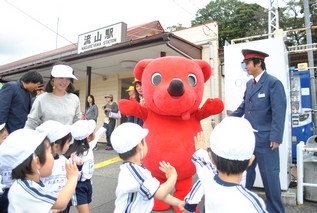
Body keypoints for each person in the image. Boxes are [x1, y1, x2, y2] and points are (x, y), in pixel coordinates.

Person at [230, 49, 286, 213]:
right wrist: (229, 120)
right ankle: (245, 206)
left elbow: (278, 111)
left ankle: (276, 210)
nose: (245, 66)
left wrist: (276, 136)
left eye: (247, 63)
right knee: (246, 174)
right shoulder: (250, 84)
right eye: (244, 63)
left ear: (258, 63)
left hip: (266, 139)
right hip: (249, 138)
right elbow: (244, 107)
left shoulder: (273, 83)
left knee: (270, 177)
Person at [182, 117, 267, 212]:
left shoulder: (208, 178)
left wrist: (189, 206)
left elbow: (202, 161)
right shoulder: (253, 203)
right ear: (251, 161)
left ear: (211, 159)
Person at [110, 122, 183, 213]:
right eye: (144, 140)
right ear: (139, 146)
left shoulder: (134, 168)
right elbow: (160, 193)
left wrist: (178, 203)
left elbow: (156, 192)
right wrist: (173, 176)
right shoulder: (135, 173)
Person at [0, 129, 78, 212]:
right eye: (49, 152)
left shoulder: (29, 184)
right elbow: (61, 202)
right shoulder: (27, 188)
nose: (52, 156)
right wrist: (72, 177)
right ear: (37, 162)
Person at [67, 118, 109, 213]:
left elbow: (98, 135)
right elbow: (71, 169)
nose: (95, 132)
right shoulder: (75, 154)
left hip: (87, 184)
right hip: (79, 186)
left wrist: (105, 125)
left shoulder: (89, 145)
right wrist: (75, 162)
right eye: (93, 131)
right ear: (88, 138)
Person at [25, 63, 81, 129]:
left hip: (68, 139)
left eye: (68, 79)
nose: (64, 82)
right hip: (46, 139)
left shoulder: (74, 99)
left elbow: (77, 122)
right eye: (61, 78)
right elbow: (31, 124)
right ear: (53, 79)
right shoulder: (41, 99)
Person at [35, 120, 75, 213]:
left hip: (63, 202)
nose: (69, 145)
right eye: (68, 142)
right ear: (55, 146)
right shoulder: (41, 164)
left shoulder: (64, 160)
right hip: (49, 205)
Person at [0, 123, 10, 213]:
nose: (8, 140)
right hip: (2, 192)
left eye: (8, 136)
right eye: (4, 138)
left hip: (13, 188)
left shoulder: (14, 152)